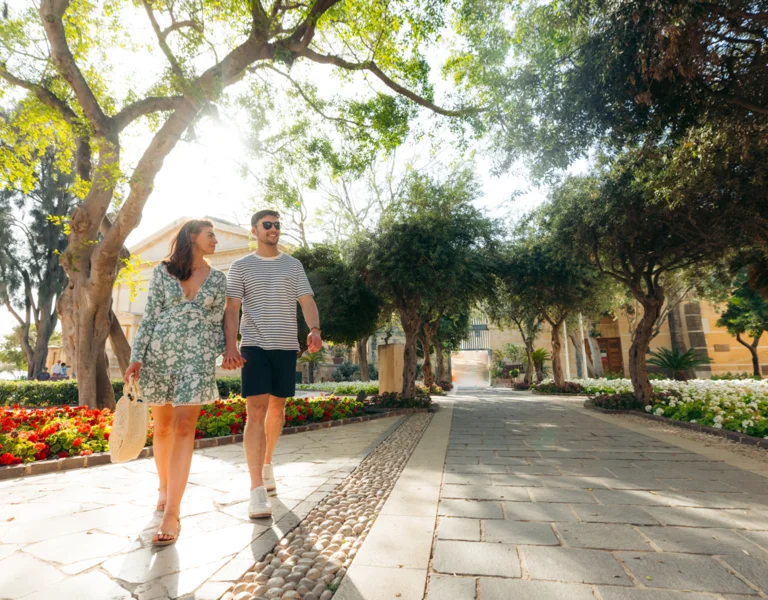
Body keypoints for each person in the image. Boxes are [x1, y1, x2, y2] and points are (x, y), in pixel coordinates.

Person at [123, 219, 226, 546]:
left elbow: (216, 323)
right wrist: (135, 356)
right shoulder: (162, 272)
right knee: (164, 427)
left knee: (184, 427)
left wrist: (227, 352)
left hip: (196, 360)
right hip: (159, 357)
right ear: (193, 236)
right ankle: (164, 489)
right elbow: (151, 315)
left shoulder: (219, 278)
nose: (216, 240)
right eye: (211, 235)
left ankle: (173, 513)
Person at [223, 209, 322, 519]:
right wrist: (230, 345)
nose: (274, 229)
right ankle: (256, 490)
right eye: (268, 225)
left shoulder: (293, 266)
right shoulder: (241, 266)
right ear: (254, 230)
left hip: (285, 346)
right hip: (253, 345)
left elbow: (306, 301)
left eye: (277, 225)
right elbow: (231, 309)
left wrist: (315, 330)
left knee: (277, 410)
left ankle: (267, 465)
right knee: (256, 411)